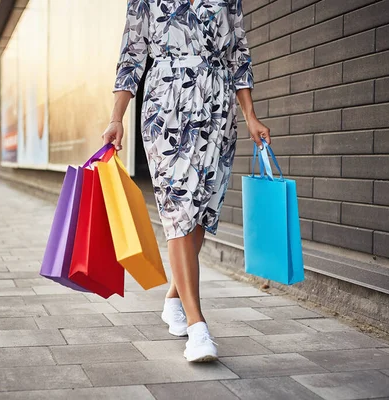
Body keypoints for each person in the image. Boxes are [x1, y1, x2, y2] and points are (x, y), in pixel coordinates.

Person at [103, 0, 271, 362]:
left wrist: (251, 116)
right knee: (179, 210)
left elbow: (239, 55)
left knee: (200, 214)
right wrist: (117, 117)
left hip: (218, 110)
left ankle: (173, 300)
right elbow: (132, 55)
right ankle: (198, 328)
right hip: (167, 105)